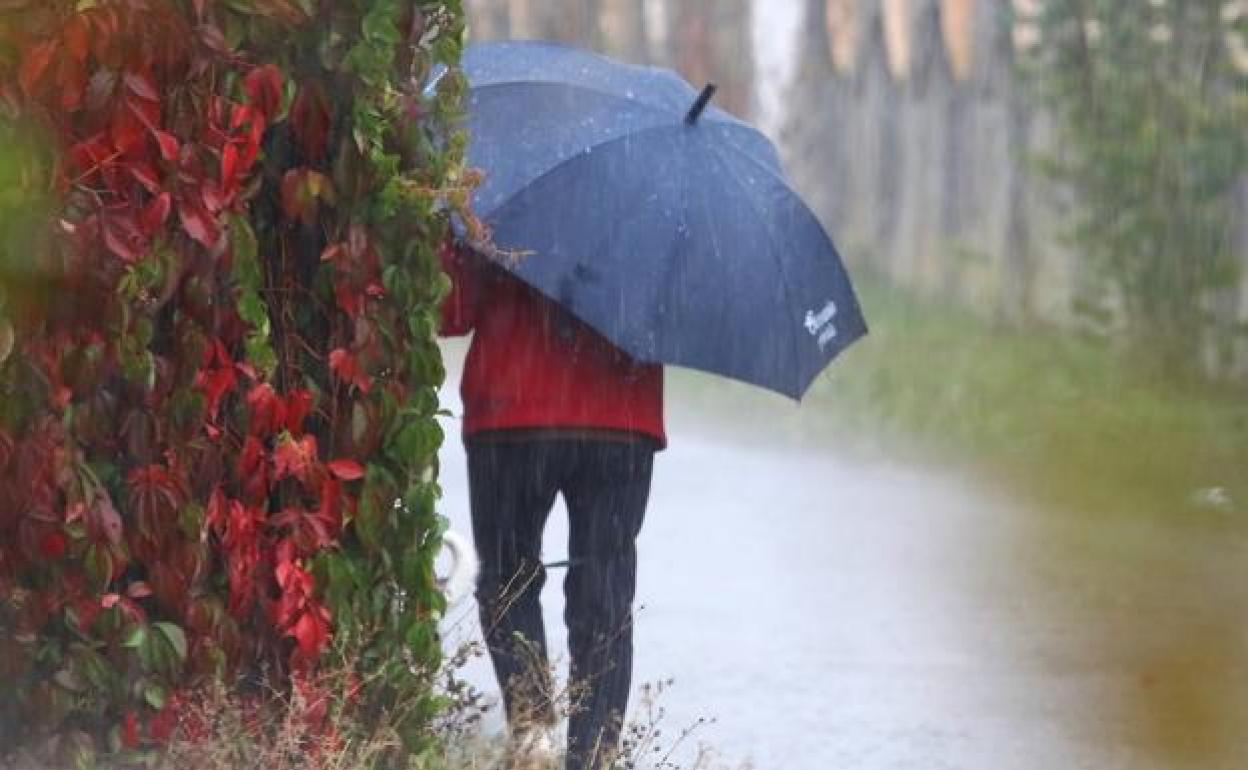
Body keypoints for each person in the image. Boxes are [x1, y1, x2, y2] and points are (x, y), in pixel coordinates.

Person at [439, 241, 665, 770]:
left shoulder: (498, 178)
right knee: (604, 589)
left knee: (508, 576)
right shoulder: (657, 192)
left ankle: (533, 728)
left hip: (512, 413)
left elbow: (450, 311)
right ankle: (594, 757)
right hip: (621, 415)